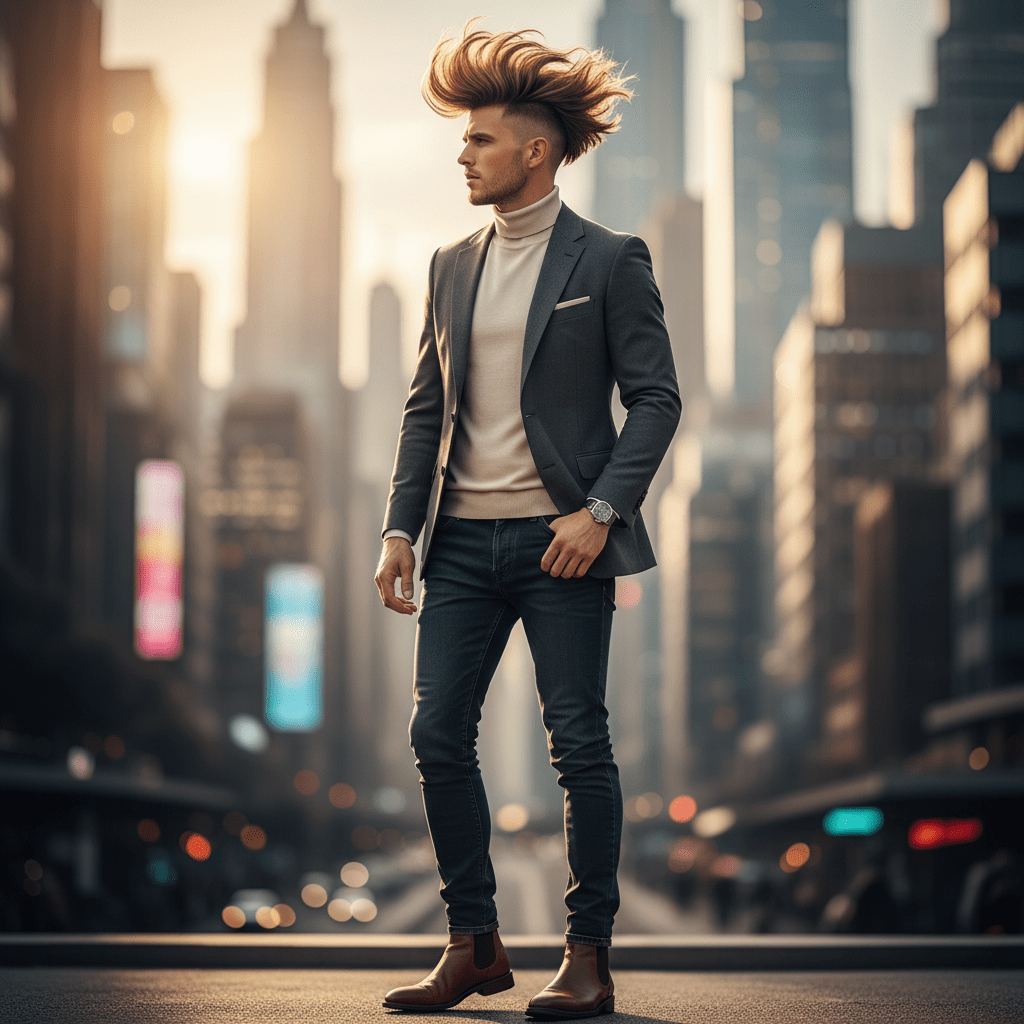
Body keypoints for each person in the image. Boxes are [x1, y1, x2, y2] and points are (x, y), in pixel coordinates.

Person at [374, 22, 681, 1020]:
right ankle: (475, 944)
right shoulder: (449, 265)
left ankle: (586, 956)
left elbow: (657, 399)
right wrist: (398, 532)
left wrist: (600, 513)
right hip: (459, 543)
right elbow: (427, 407)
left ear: (535, 152)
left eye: (479, 140)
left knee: (577, 746)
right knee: (434, 734)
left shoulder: (609, 257)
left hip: (563, 542)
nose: (461, 154)